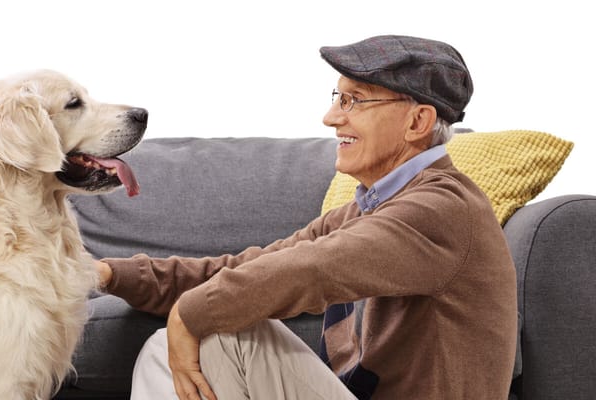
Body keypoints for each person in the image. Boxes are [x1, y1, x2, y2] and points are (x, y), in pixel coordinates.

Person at [95, 35, 518, 400]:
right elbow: (245, 270)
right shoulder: (368, 209)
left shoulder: (441, 208)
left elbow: (312, 271)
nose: (332, 117)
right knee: (178, 337)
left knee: (230, 333)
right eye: (337, 98)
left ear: (418, 121)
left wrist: (190, 314)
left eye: (354, 100)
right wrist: (111, 274)